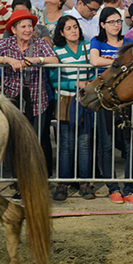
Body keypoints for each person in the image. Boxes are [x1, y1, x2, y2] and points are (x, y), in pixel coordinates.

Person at [0, 9, 59, 135]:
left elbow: (55, 60)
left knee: (34, 141)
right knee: (14, 142)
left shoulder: (40, 43)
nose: (28, 30)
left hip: (37, 102)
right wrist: (7, 60)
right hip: (12, 102)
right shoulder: (6, 43)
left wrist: (38, 60)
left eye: (30, 26)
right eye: (23, 26)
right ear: (14, 30)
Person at [89, 6, 131, 203]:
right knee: (106, 144)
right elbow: (95, 61)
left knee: (131, 144)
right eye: (112, 22)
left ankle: (130, 187)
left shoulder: (128, 41)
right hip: (104, 98)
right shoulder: (96, 41)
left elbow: (132, 64)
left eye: (118, 21)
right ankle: (112, 187)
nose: (116, 25)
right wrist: (117, 62)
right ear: (103, 24)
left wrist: (111, 60)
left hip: (126, 97)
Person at [50, 15, 95, 201]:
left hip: (85, 101)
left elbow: (94, 73)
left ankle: (85, 183)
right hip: (65, 101)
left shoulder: (89, 47)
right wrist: (76, 83)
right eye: (68, 28)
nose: (73, 30)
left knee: (85, 144)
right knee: (66, 144)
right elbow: (54, 79)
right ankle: (62, 183)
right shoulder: (57, 51)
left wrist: (88, 83)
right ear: (61, 32)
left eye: (75, 27)